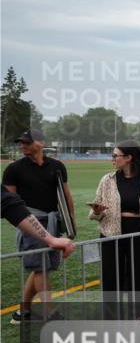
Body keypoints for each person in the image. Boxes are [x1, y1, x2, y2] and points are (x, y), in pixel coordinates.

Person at [3, 130, 76, 324]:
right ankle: (51, 315)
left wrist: (71, 222)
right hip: (30, 223)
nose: (23, 146)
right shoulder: (14, 169)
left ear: (41, 143)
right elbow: (10, 202)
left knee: (40, 268)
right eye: (21, 143)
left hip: (52, 221)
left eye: (27, 142)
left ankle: (23, 312)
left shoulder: (57, 166)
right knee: (41, 268)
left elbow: (66, 195)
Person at [89, 141, 140, 313]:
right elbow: (95, 212)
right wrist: (96, 211)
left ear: (128, 158)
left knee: (138, 277)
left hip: (138, 235)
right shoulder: (107, 180)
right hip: (110, 234)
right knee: (110, 276)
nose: (112, 159)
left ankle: (139, 315)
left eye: (115, 156)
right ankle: (110, 316)